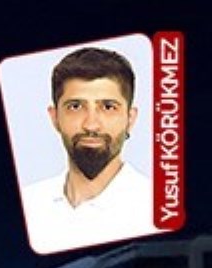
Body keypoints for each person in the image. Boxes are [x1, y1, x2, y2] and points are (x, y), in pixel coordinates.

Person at [19, 46, 156, 254]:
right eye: (75, 106)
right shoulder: (30, 204)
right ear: (55, 117)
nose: (91, 125)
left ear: (130, 118)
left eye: (108, 107)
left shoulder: (153, 207)